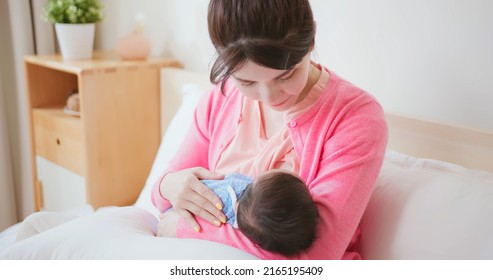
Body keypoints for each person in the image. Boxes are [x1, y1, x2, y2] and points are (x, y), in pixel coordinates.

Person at [152, 0, 388, 259]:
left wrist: (188, 229)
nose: (269, 96)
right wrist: (168, 185)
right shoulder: (221, 97)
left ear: (310, 42)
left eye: (285, 76)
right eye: (247, 81)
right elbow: (162, 198)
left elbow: (315, 255)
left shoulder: (354, 117)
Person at [158, 170, 319, 256]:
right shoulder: (257, 224)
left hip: (170, 226)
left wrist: (183, 227)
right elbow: (161, 195)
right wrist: (163, 186)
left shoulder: (230, 190)